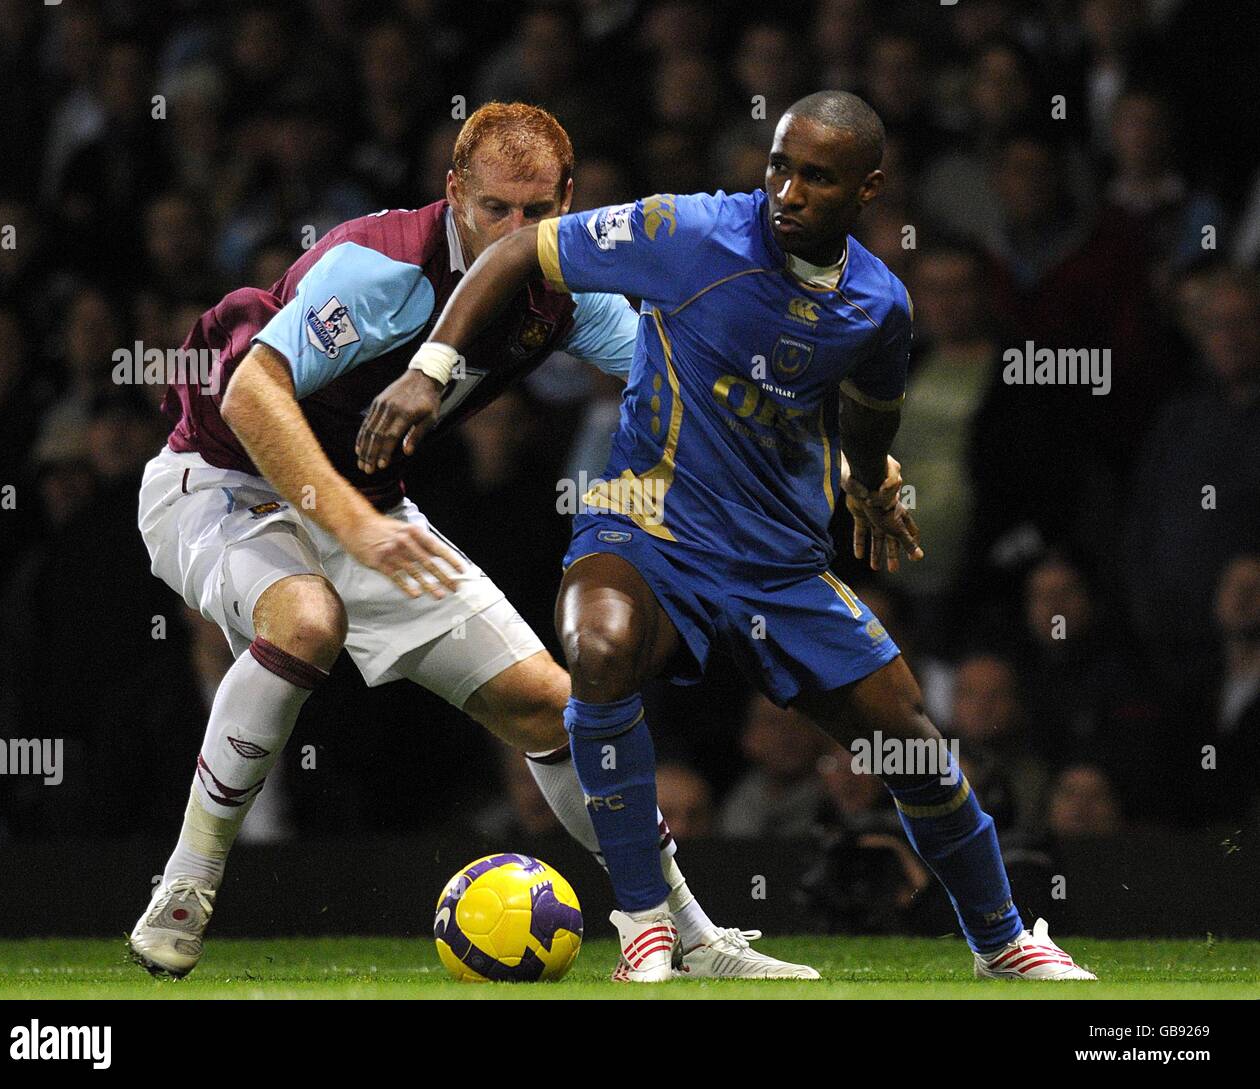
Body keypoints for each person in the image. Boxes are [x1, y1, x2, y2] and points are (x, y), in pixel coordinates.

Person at [370, 90, 1095, 982]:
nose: (787, 191)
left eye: (816, 177)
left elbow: (870, 418)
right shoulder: (687, 232)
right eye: (780, 165)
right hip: (644, 525)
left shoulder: (879, 307)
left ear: (867, 189)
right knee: (596, 649)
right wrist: (428, 370)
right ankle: (644, 920)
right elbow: (519, 249)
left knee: (915, 749)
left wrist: (872, 483)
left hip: (778, 564)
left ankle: (1002, 940)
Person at [129, 102, 813, 981]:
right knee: (307, 619)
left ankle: (687, 929)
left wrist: (840, 449)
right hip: (217, 482)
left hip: (368, 508)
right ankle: (186, 884)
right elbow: (251, 393)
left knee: (553, 708)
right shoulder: (379, 269)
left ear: (570, 199)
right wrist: (349, 522)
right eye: (496, 209)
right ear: (455, 194)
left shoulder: (564, 290)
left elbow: (687, 384)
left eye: (537, 212)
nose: (515, 232)